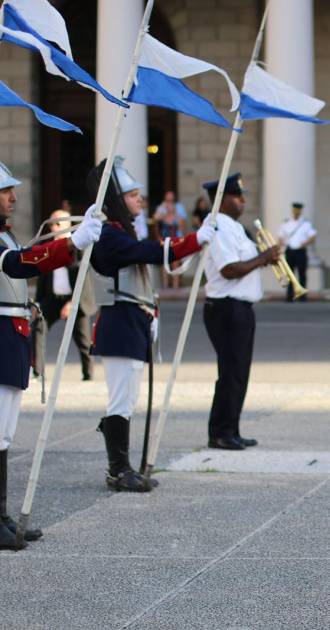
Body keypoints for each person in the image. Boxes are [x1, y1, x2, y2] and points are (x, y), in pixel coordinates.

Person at [89, 157, 216, 492]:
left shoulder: (119, 233)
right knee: (121, 398)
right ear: (117, 200)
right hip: (119, 322)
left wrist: (194, 244)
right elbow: (146, 251)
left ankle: (122, 465)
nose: (140, 200)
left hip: (133, 321)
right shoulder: (109, 235)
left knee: (127, 398)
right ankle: (118, 469)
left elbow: (148, 252)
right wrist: (191, 240)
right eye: (132, 195)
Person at [0, 161, 103, 549]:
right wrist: (73, 243)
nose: (13, 197)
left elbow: (25, 253)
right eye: (5, 191)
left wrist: (75, 233)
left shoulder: (5, 235)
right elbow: (17, 264)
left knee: (5, 433)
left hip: (11, 336)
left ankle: (1, 514)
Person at [203, 173, 279, 450]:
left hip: (240, 308)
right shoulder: (218, 227)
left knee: (239, 372)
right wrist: (264, 257)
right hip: (226, 307)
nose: (243, 200)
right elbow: (229, 269)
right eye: (237, 196)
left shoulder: (234, 227)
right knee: (230, 372)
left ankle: (231, 428)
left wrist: (262, 259)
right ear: (222, 200)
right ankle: (220, 432)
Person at [32, 210, 96, 381]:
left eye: (58, 224)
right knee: (38, 327)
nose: (54, 227)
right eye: (52, 223)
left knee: (82, 338)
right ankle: (38, 373)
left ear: (68, 226)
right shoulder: (48, 245)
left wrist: (71, 303)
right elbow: (42, 276)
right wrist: (37, 304)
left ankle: (88, 375)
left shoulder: (78, 245)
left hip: (74, 298)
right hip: (53, 298)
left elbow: (84, 278)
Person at [278, 202, 316, 302]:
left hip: (301, 251)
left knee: (302, 273)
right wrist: (282, 243)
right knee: (290, 274)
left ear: (301, 211)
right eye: (294, 210)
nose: (296, 212)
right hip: (290, 250)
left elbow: (312, 237)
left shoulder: (306, 223)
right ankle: (290, 295)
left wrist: (305, 243)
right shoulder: (286, 223)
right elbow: (280, 236)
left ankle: (302, 295)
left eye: (298, 210)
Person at [154, 191, 188, 289]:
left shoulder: (178, 213)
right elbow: (155, 219)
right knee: (165, 263)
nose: (169, 205)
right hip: (165, 241)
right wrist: (163, 206)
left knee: (175, 263)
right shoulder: (162, 213)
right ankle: (165, 284)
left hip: (175, 241)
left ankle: (175, 285)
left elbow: (183, 228)